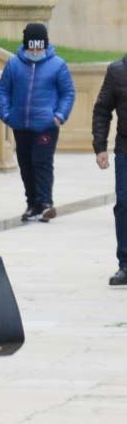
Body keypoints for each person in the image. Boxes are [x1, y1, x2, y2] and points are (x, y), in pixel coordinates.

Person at [0, 22, 75, 223]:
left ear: (45, 44)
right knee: (25, 164)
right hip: (20, 124)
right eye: (31, 46)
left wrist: (59, 116)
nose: (35, 50)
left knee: (41, 162)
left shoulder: (58, 64)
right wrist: (6, 113)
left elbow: (68, 93)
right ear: (26, 44)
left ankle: (45, 203)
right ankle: (32, 204)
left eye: (39, 46)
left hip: (46, 125)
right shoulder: (14, 64)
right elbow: (3, 89)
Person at [91, 49, 127, 284]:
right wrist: (100, 147)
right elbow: (102, 110)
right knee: (124, 204)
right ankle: (125, 263)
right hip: (125, 150)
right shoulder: (117, 71)